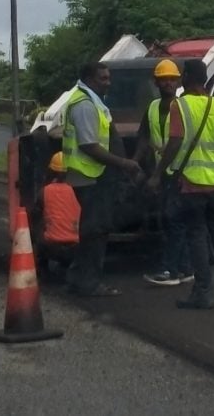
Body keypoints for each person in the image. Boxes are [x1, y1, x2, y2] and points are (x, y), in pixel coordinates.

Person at [150, 59, 214, 310]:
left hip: (191, 183)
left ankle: (203, 292)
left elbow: (176, 141)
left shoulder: (181, 105)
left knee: (197, 235)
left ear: (186, 77)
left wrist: (158, 173)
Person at [63, 61, 142, 297]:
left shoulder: (90, 101)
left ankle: (78, 277)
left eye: (108, 78)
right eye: (103, 79)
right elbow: (89, 146)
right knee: (95, 231)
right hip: (90, 175)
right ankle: (89, 282)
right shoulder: (85, 105)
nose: (108, 83)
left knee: (92, 229)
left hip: (92, 175)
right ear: (88, 78)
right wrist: (123, 163)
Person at [133, 59, 194, 287]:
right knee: (173, 221)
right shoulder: (151, 108)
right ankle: (186, 268)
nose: (168, 83)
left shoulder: (183, 107)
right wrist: (134, 162)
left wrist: (156, 175)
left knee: (173, 220)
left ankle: (170, 269)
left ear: (178, 81)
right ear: (156, 82)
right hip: (163, 173)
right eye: (163, 79)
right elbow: (144, 137)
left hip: (181, 172)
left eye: (172, 79)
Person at [37, 151, 81, 269]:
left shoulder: (44, 191)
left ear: (51, 170)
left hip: (51, 246)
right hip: (75, 247)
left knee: (38, 225)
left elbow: (34, 216)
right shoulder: (78, 192)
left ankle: (42, 269)